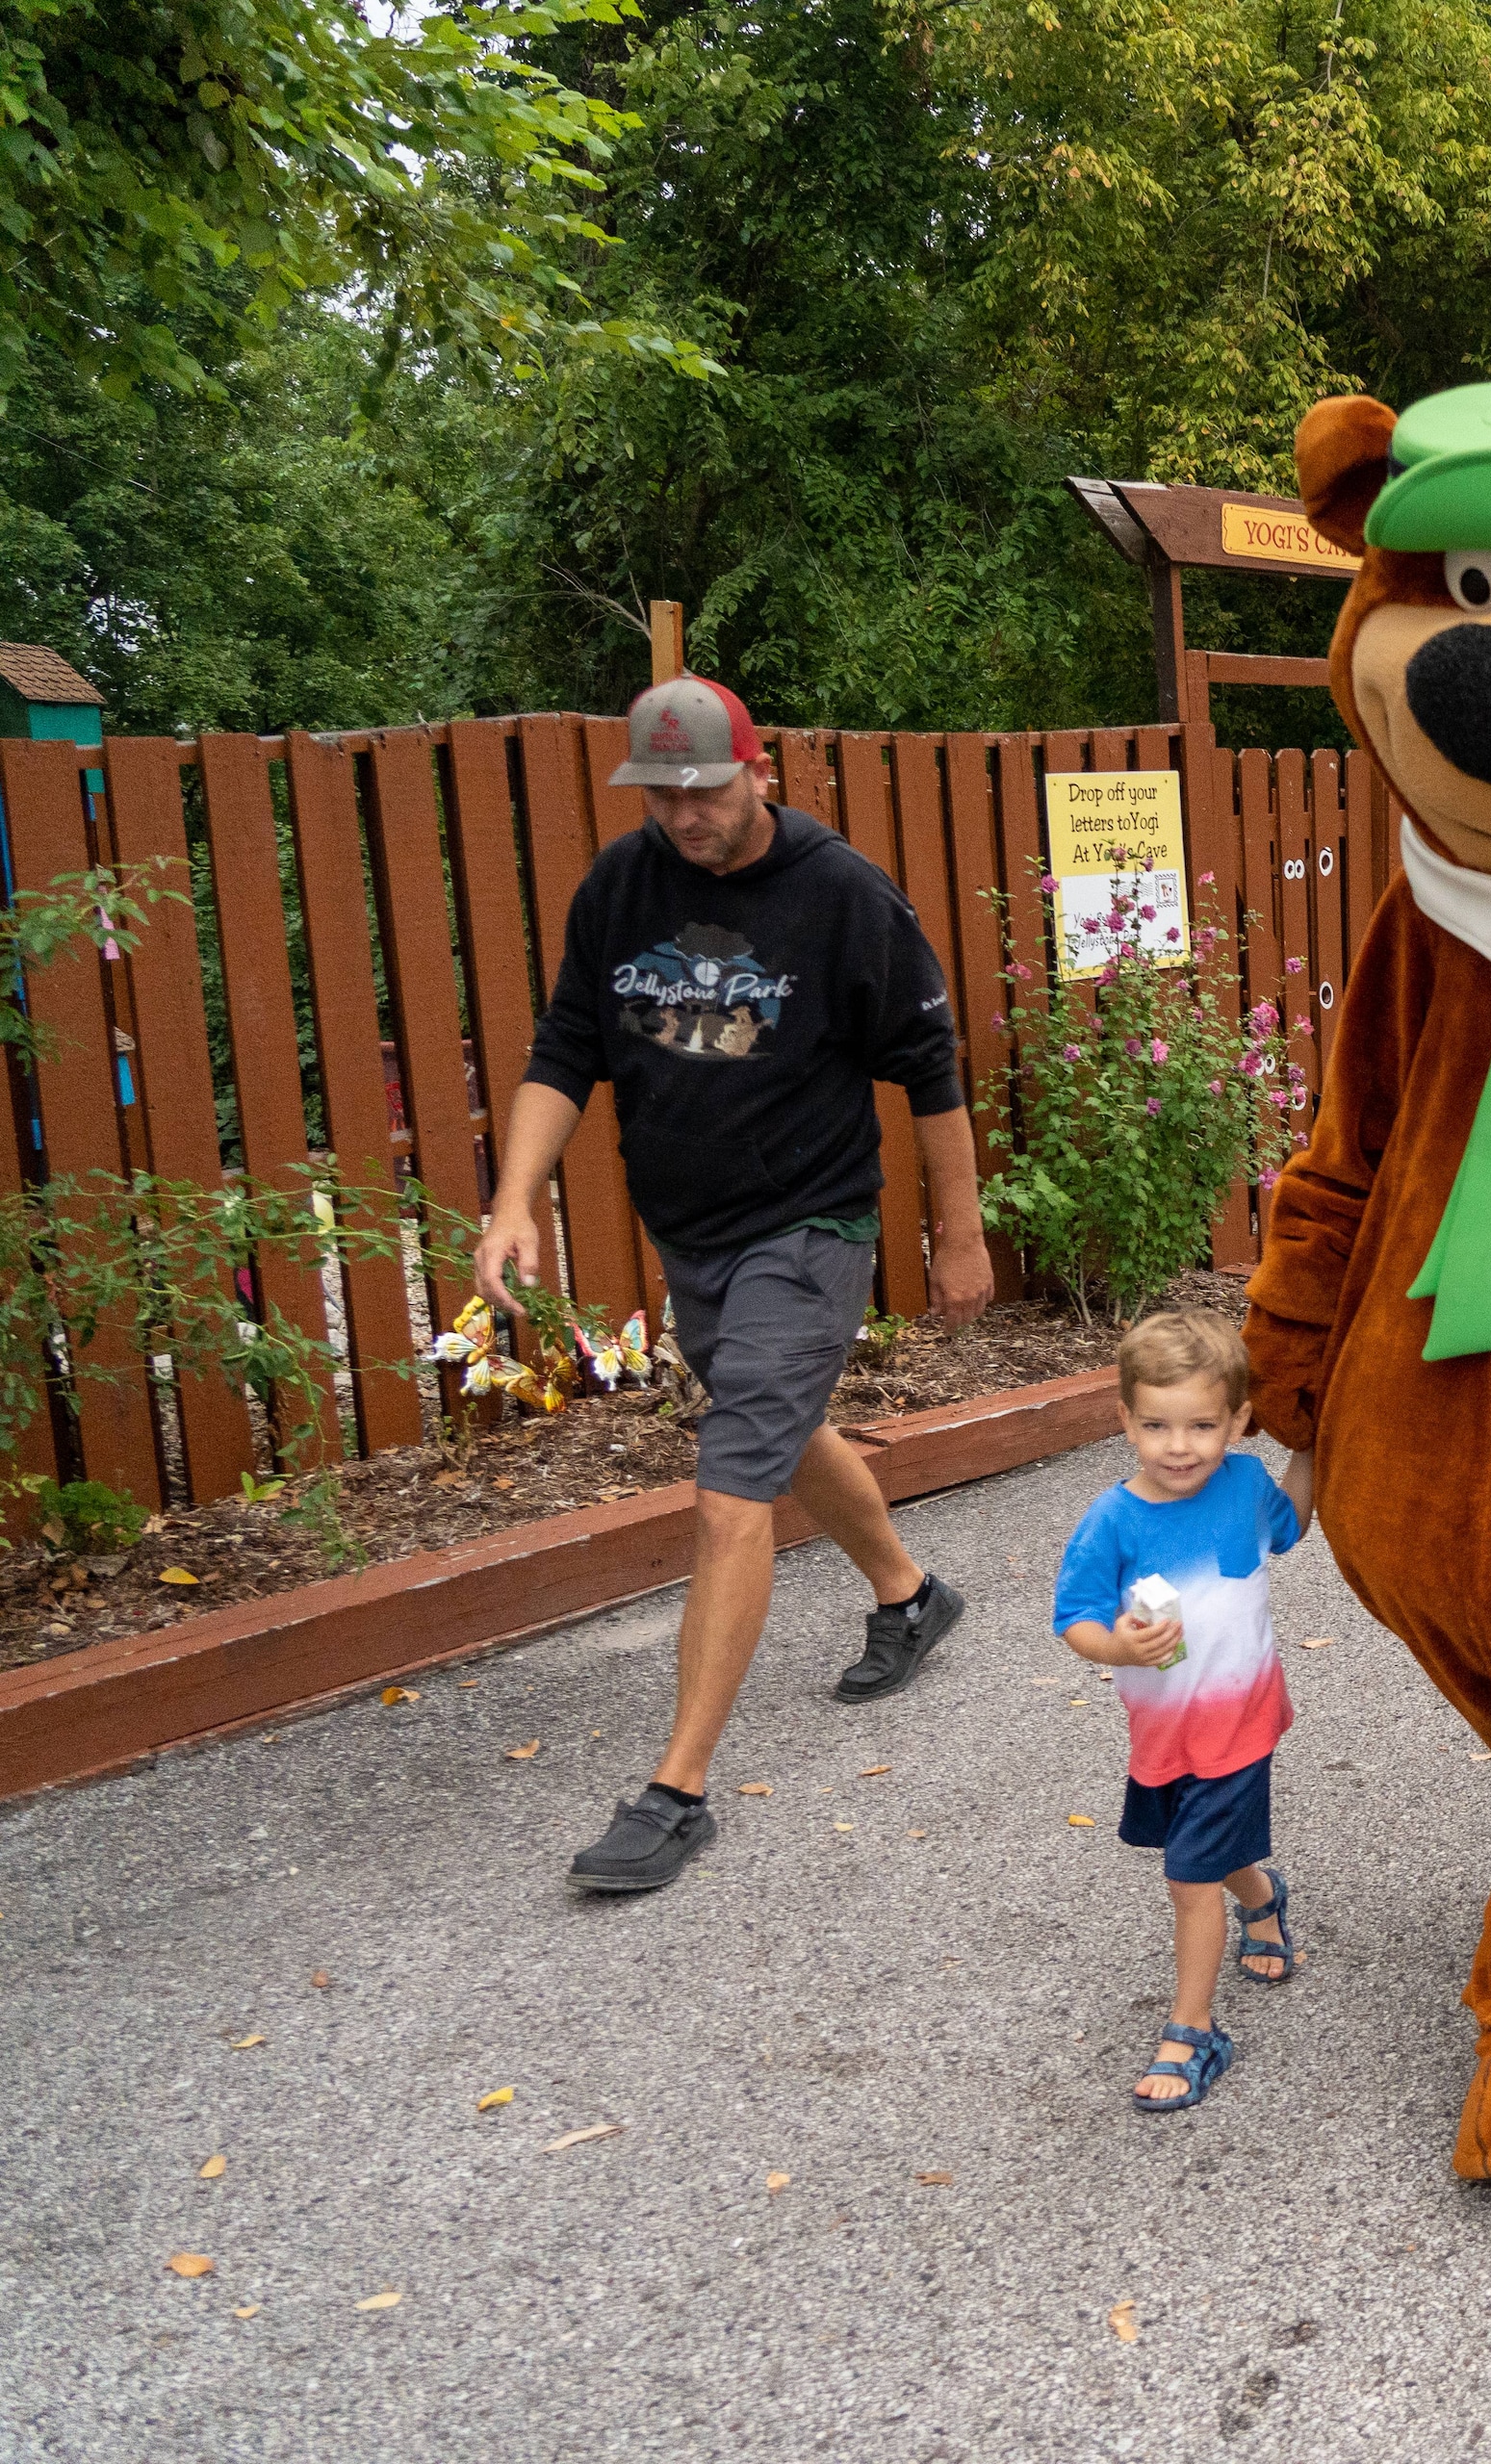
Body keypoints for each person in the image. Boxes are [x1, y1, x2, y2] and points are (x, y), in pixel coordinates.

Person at [477, 675, 991, 1896]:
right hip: (693, 1229)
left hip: (807, 1223)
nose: (684, 812)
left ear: (758, 771)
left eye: (703, 787)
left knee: (729, 1483)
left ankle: (677, 1789)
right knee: (782, 1431)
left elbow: (930, 1068)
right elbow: (567, 1047)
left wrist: (960, 1237)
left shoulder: (840, 893)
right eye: (661, 790)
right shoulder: (623, 885)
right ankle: (910, 1595)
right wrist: (515, 1197)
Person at [1051, 1310, 1318, 2111]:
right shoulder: (1112, 1520)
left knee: (1185, 1876)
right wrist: (1118, 1649)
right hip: (1162, 1732)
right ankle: (1263, 1896)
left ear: (1238, 1421)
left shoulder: (1243, 1485)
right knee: (1194, 1849)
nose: (1180, 1446)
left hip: (1240, 1723)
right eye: (1159, 1425)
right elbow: (1077, 1620)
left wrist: (1310, 1445)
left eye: (1203, 1425)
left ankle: (1193, 2031)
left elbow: (1291, 1526)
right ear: (1126, 1417)